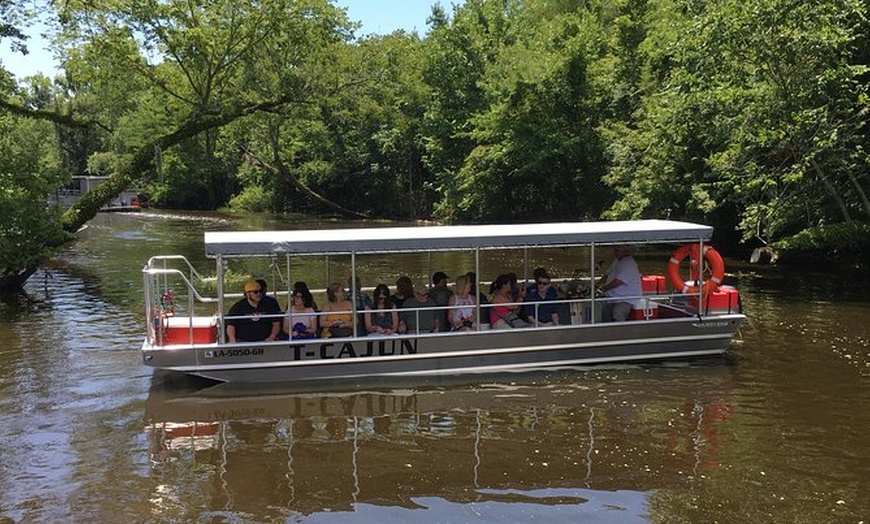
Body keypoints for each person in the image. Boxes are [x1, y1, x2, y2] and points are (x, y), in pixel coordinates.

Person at [596, 245, 642, 322]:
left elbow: (618, 281)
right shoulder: (617, 261)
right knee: (604, 310)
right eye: (615, 250)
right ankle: (607, 330)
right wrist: (596, 285)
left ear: (625, 252)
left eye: (617, 251)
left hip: (627, 299)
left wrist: (604, 288)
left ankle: (621, 332)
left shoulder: (629, 264)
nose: (615, 252)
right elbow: (607, 275)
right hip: (615, 297)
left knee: (618, 312)